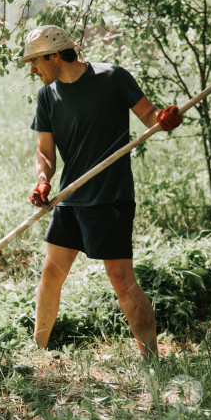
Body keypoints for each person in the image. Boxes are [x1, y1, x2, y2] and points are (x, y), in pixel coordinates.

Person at [21, 24, 183, 360]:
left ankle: (152, 362)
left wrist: (164, 119)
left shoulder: (112, 78)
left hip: (110, 197)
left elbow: (149, 116)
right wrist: (42, 180)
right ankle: (38, 354)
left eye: (35, 61)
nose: (32, 69)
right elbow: (45, 152)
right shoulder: (47, 96)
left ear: (53, 55)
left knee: (122, 281)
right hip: (71, 197)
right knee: (51, 274)